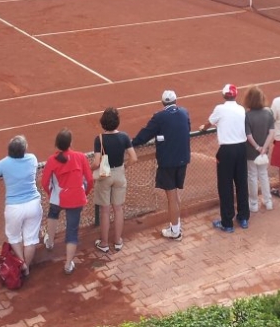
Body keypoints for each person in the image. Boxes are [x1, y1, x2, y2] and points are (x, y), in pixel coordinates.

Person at [131, 90, 191, 240]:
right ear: (175, 100)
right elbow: (187, 128)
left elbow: (145, 135)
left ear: (163, 103)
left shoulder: (159, 117)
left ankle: (175, 231)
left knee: (171, 197)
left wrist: (131, 143)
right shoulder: (184, 112)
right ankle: (175, 225)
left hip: (168, 163)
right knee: (175, 195)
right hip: (183, 160)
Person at [0, 136, 41, 277]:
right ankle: (26, 267)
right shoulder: (32, 159)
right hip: (33, 204)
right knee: (31, 239)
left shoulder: (5, 163)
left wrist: (7, 162)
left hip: (14, 208)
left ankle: (21, 264)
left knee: (14, 237)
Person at [40, 129, 93, 275]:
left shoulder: (52, 160)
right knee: (72, 231)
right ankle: (68, 264)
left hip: (58, 195)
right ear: (71, 143)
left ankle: (50, 242)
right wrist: (84, 193)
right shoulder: (80, 157)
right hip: (76, 197)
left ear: (57, 144)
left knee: (53, 213)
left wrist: (52, 193)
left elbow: (44, 182)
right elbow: (89, 180)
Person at [201, 84, 251, 232]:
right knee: (242, 183)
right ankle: (243, 218)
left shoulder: (220, 109)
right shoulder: (241, 109)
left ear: (224, 96)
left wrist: (203, 128)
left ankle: (227, 223)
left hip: (227, 151)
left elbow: (209, 123)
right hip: (241, 149)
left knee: (225, 186)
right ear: (235, 95)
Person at [92, 107, 136, 253]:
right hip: (119, 173)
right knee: (118, 209)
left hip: (105, 175)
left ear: (103, 122)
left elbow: (97, 163)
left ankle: (104, 243)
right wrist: (124, 167)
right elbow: (133, 158)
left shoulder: (99, 139)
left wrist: (90, 169)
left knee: (105, 210)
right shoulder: (124, 137)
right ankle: (117, 241)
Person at [243, 85, 275, 213]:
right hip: (264, 152)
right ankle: (268, 202)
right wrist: (264, 148)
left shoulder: (247, 116)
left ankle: (254, 203)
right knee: (263, 175)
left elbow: (248, 135)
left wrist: (257, 147)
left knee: (252, 176)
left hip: (251, 152)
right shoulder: (268, 113)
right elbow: (271, 132)